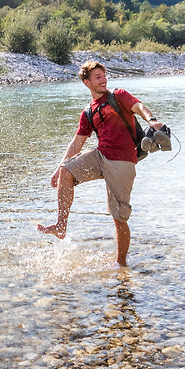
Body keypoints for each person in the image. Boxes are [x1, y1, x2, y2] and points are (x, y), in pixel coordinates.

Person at [37, 60, 158, 267]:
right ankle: (61, 225)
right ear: (87, 83)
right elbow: (77, 143)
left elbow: (138, 106)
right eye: (98, 77)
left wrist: (151, 120)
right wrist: (58, 169)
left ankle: (121, 265)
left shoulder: (118, 95)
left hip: (122, 162)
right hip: (100, 156)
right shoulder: (88, 112)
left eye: (104, 76)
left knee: (119, 217)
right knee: (67, 171)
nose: (103, 80)